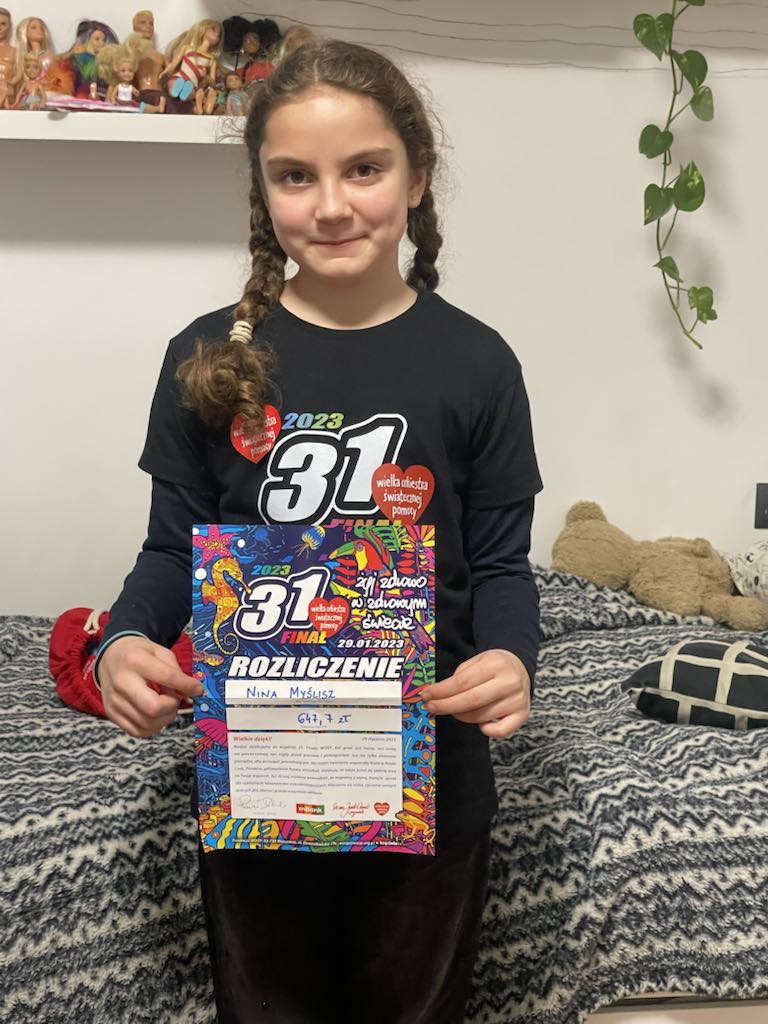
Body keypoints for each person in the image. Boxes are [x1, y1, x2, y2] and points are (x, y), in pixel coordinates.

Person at [95, 38, 542, 1024]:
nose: (331, 205)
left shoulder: (479, 365)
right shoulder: (204, 356)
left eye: (364, 169)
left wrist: (512, 655)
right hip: (260, 769)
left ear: (416, 178)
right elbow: (172, 547)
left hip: (430, 772)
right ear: (265, 194)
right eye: (296, 176)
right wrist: (122, 638)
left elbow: (504, 565)